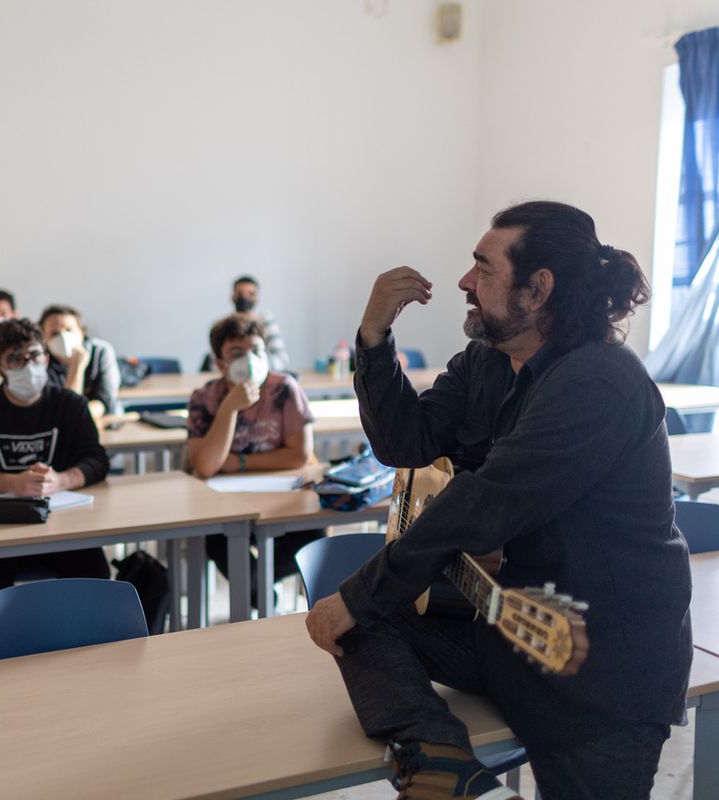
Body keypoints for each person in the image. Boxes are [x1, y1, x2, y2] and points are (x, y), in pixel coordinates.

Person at [305, 201, 692, 800]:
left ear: (538, 289)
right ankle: (443, 765)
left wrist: (354, 596)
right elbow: (406, 442)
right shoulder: (489, 361)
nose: (465, 281)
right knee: (365, 621)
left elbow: (482, 504)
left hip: (602, 666)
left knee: (358, 603)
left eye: (483, 267)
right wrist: (373, 339)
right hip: (512, 631)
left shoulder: (598, 382)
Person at [0, 317, 110, 605]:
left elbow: (97, 460)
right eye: (15, 359)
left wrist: (61, 480)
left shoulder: (70, 404)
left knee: (94, 574)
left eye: (35, 355)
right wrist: (12, 483)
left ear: (46, 358)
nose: (28, 365)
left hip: (61, 527)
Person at [187, 313, 319, 606]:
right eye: (237, 354)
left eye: (256, 351)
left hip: (281, 500)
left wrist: (239, 463)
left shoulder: (285, 389)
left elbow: (299, 455)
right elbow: (206, 465)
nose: (249, 360)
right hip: (225, 506)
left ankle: (259, 588)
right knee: (216, 538)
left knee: (314, 532)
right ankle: (262, 595)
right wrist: (230, 408)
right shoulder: (204, 398)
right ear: (220, 364)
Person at [39, 304, 121, 417]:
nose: (63, 337)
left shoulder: (101, 351)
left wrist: (77, 415)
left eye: (69, 330)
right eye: (55, 334)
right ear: (44, 338)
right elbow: (63, 409)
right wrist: (76, 367)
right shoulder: (40, 360)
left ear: (81, 331)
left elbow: (103, 402)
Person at [231, 275, 290, 372]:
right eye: (240, 294)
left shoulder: (265, 321)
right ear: (233, 296)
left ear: (257, 298)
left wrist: (255, 367)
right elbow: (214, 363)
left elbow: (282, 360)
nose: (245, 298)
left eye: (251, 294)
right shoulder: (225, 326)